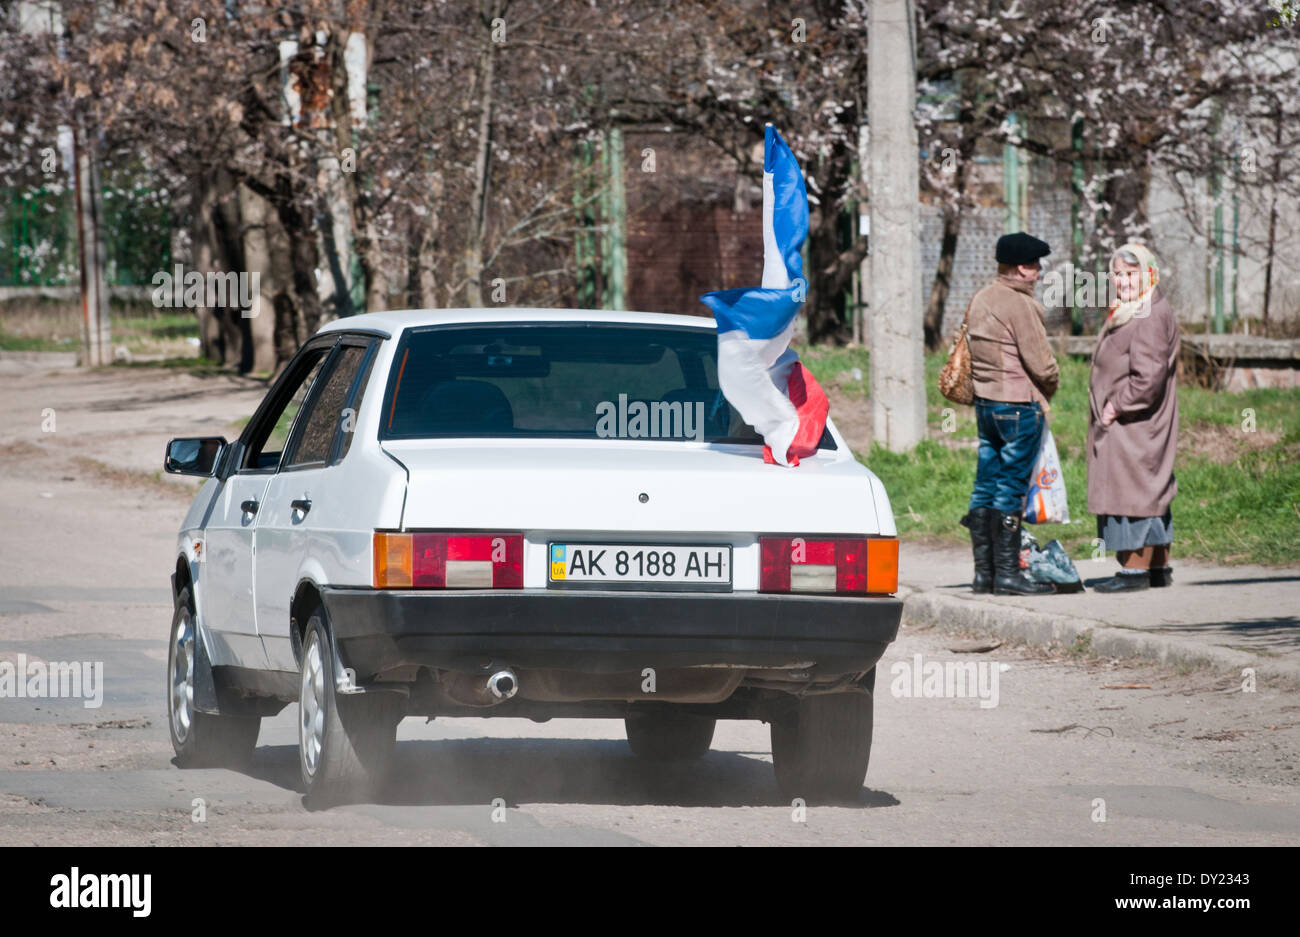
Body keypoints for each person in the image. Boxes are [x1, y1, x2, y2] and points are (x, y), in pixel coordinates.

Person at [961, 232, 1061, 596]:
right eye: (1036, 265)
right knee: (1010, 490)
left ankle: (983, 575)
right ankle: (1007, 575)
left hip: (985, 406)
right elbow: (1041, 363)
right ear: (1022, 267)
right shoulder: (1021, 303)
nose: (1038, 272)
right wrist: (1052, 383)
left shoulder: (981, 297)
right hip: (1018, 406)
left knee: (984, 485)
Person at [1087, 243, 1179, 592]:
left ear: (1148, 273)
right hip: (1134, 423)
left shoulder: (1148, 314)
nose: (1123, 281)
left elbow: (1148, 377)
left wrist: (1115, 406)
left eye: (1131, 274)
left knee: (1132, 494)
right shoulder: (1135, 308)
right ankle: (1157, 568)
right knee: (1146, 492)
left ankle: (1134, 573)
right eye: (1118, 274)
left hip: (1133, 424)